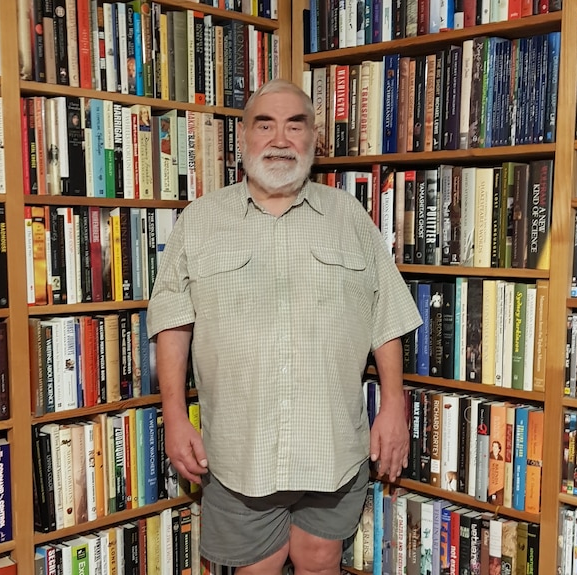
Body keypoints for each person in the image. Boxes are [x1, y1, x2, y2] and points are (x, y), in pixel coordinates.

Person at [146, 79, 421, 575]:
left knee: (321, 561)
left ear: (314, 137)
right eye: (265, 124)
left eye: (295, 125)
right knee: (258, 568)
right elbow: (172, 322)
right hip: (237, 449)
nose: (280, 138)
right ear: (244, 137)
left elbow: (387, 316)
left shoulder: (349, 216)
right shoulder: (201, 220)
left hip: (333, 444)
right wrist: (174, 415)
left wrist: (394, 409)